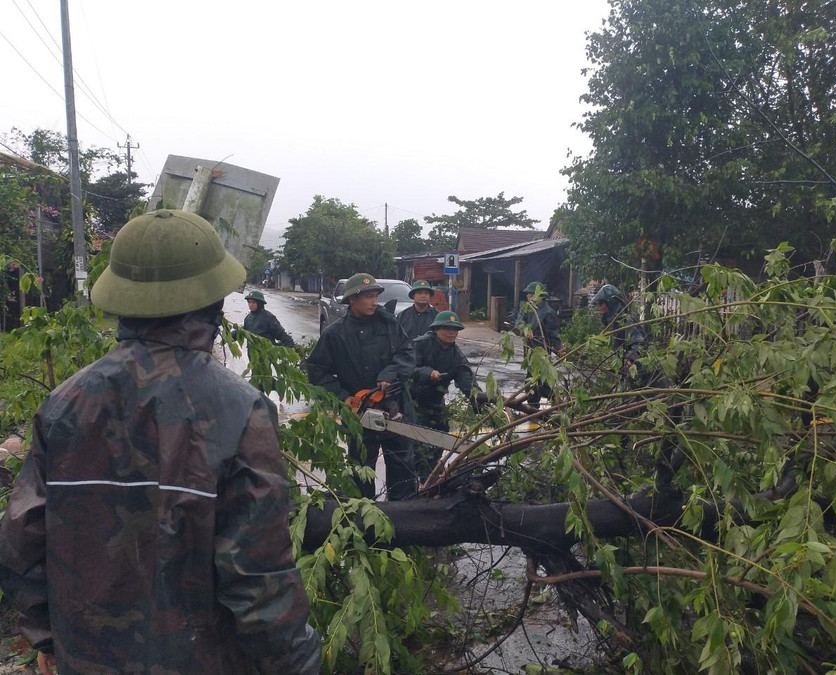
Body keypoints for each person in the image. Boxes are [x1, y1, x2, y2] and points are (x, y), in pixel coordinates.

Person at [0, 209, 321, 674]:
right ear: (212, 301)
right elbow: (257, 577)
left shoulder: (64, 403)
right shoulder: (238, 409)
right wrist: (298, 663)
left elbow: (23, 535)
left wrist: (45, 635)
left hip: (87, 657)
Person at [306, 272, 417, 500]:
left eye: (375, 296)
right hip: (358, 414)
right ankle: (363, 519)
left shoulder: (389, 324)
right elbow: (317, 369)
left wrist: (389, 375)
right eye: (368, 297)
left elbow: (406, 352)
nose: (374, 302)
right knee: (361, 472)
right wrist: (343, 396)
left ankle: (403, 516)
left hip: (394, 407)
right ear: (352, 300)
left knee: (402, 468)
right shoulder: (335, 334)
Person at [410, 310, 479, 481]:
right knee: (418, 439)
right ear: (436, 329)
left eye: (454, 330)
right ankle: (418, 477)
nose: (451, 333)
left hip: (435, 401)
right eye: (447, 329)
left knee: (441, 431)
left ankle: (431, 473)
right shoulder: (420, 344)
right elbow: (407, 368)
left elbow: (465, 375)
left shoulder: (456, 353)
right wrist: (427, 373)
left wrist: (477, 397)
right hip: (413, 401)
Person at [515, 281, 562, 406]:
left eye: (530, 293)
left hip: (541, 352)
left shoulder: (548, 312)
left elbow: (554, 334)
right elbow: (519, 321)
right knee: (537, 379)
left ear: (538, 295)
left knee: (534, 379)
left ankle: (534, 406)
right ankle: (553, 398)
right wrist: (525, 329)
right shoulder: (527, 308)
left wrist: (559, 348)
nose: (527, 296)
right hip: (529, 351)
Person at [590, 283, 647, 380]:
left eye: (601, 304)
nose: (599, 308)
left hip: (643, 373)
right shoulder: (615, 323)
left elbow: (639, 343)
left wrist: (630, 358)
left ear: (610, 303)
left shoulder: (625, 321)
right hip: (630, 373)